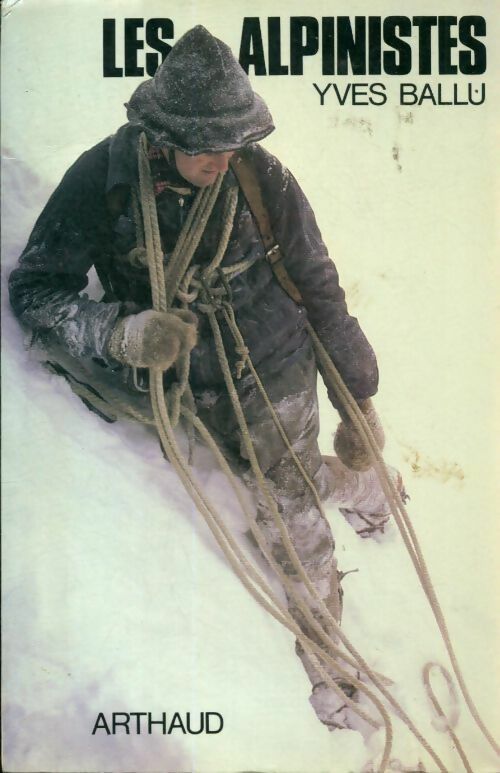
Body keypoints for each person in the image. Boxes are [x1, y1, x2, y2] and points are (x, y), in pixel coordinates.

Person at [9, 25, 402, 731]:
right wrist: (120, 333)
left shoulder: (264, 177)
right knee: (284, 483)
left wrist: (360, 397)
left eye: (234, 141)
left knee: (289, 517)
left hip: (275, 370)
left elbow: (319, 287)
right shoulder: (101, 182)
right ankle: (368, 487)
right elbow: (36, 291)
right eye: (206, 146)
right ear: (161, 134)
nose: (223, 158)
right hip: (183, 383)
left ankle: (333, 669)